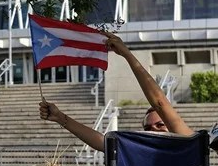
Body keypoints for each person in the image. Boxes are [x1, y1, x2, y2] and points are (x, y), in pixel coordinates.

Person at [39, 33, 192, 151]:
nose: (153, 130)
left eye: (160, 125)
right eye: (148, 128)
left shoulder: (188, 142)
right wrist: (60, 117)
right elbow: (102, 142)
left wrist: (127, 54)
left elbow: (160, 103)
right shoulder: (142, 150)